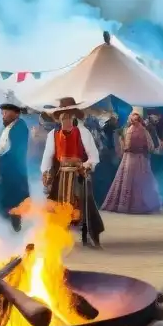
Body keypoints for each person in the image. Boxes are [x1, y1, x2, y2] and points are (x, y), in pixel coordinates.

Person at [41, 97, 104, 248]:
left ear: (74, 114)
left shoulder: (83, 132)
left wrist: (85, 166)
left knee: (83, 206)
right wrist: (45, 173)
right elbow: (47, 156)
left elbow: (93, 157)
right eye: (63, 114)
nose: (65, 117)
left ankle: (88, 235)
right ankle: (57, 237)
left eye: (68, 113)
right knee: (56, 207)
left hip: (79, 176)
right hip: (60, 176)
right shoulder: (53, 134)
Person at [101, 110, 162, 214]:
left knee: (125, 181)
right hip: (141, 159)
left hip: (127, 159)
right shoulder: (144, 130)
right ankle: (142, 206)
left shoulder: (127, 130)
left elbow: (124, 147)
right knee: (142, 182)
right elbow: (151, 147)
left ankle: (124, 205)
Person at [0, 102, 30, 232]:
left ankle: (13, 230)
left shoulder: (20, 127)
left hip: (14, 170)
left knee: (13, 201)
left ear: (16, 113)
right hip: (5, 167)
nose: (3, 115)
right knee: (1, 199)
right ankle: (3, 229)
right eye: (2, 113)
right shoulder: (6, 127)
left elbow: (15, 149)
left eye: (6, 112)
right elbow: (2, 146)